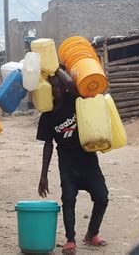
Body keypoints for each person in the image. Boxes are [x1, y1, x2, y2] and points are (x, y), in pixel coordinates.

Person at [36, 68, 109, 254]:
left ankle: (92, 234)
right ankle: (70, 240)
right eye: (54, 87)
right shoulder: (47, 115)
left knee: (102, 197)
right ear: (47, 90)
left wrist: (55, 68)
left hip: (87, 157)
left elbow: (71, 84)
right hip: (67, 162)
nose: (59, 89)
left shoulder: (75, 100)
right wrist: (43, 176)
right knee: (68, 200)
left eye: (60, 86)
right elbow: (48, 146)